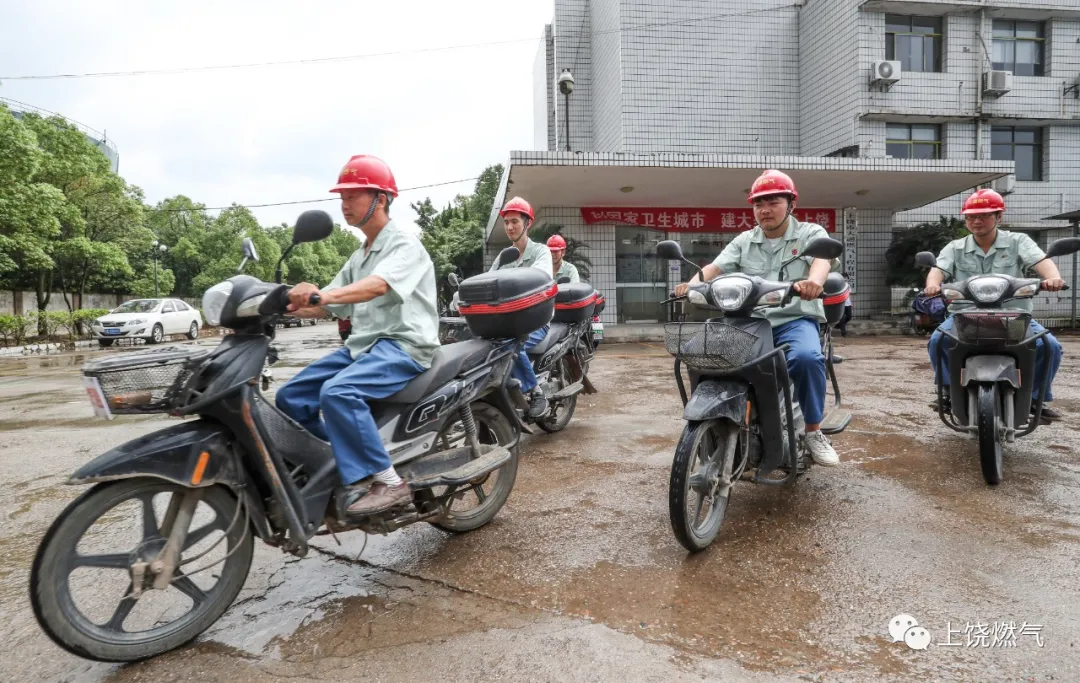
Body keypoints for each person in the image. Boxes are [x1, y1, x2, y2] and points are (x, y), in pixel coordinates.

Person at [274, 155, 441, 514]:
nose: (343, 205)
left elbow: (377, 287)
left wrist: (325, 294)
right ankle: (336, 464)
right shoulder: (359, 255)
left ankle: (389, 482)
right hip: (363, 348)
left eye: (352, 196)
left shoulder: (404, 246)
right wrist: (280, 304)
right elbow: (326, 305)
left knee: (338, 392)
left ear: (380, 199)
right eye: (342, 197)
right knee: (290, 397)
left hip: (403, 346)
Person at [674, 169, 841, 466]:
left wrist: (814, 281)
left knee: (807, 358)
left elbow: (822, 260)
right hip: (749, 321)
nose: (764, 210)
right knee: (702, 354)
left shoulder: (810, 234)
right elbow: (716, 266)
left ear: (791, 204)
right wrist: (692, 284)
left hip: (793, 319)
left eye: (773, 202)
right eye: (758, 204)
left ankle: (814, 431)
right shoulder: (744, 240)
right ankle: (716, 421)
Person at [925, 188, 1065, 421]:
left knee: (1049, 346)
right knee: (938, 341)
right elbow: (938, 270)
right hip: (964, 317)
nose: (976, 221)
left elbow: (1042, 262)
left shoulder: (1018, 241)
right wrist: (932, 284)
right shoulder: (955, 247)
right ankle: (948, 392)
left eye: (984, 215)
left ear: (999, 217)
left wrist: (1053, 278)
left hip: (1014, 316)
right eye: (971, 216)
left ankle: (1035, 399)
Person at [490, 196, 553, 417]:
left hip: (536, 320)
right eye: (506, 222)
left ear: (528, 223)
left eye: (515, 221)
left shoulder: (541, 252)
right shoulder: (504, 256)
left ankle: (536, 393)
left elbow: (539, 276)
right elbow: (489, 279)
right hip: (508, 321)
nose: (509, 227)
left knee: (509, 343)